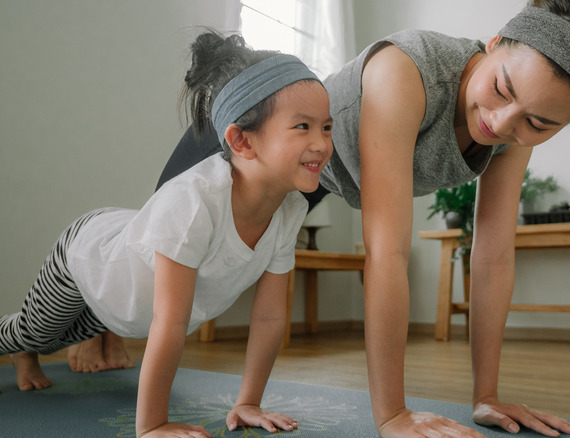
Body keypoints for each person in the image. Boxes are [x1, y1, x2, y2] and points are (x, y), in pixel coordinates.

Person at [154, 1, 570, 436]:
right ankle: (95, 329)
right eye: (501, 89)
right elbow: (387, 252)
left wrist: (485, 397)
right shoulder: (406, 70)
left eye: (538, 124)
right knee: (148, 261)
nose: (502, 123)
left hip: (319, 179)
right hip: (261, 152)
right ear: (493, 45)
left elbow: (492, 255)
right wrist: (391, 414)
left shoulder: (511, 131)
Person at [0, 30, 333, 438]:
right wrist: (153, 425)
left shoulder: (289, 208)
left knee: (72, 331)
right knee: (36, 331)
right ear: (242, 141)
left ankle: (31, 348)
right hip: (87, 256)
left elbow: (268, 316)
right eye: (303, 126)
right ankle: (22, 347)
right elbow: (170, 322)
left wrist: (248, 402)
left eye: (328, 127)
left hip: (124, 300)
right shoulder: (195, 201)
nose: (322, 144)